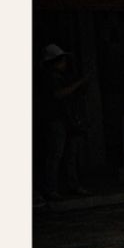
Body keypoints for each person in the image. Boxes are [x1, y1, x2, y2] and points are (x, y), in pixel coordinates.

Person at [38, 44, 91, 200]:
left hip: (68, 118)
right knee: (56, 154)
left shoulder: (62, 76)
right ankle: (51, 188)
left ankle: (72, 185)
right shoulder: (49, 78)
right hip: (55, 119)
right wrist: (78, 84)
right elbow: (58, 94)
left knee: (70, 154)